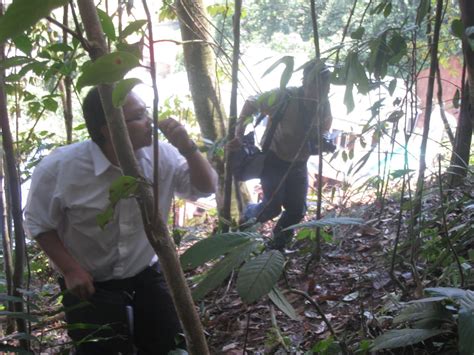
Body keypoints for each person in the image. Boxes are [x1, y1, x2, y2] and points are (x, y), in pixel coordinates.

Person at [24, 87, 217, 354]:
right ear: (109, 128)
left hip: (146, 275)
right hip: (90, 285)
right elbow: (39, 223)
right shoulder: (61, 168)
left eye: (146, 112)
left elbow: (205, 188)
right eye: (138, 116)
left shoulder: (161, 156)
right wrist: (70, 270)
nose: (150, 121)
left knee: (168, 345)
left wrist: (188, 147)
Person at [233, 60, 333, 250]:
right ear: (306, 82)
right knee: (271, 207)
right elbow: (251, 102)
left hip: (299, 163)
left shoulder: (324, 105)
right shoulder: (285, 97)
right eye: (318, 85)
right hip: (275, 159)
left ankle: (276, 249)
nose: (322, 91)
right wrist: (238, 134)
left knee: (297, 210)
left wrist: (323, 140)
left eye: (326, 87)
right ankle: (246, 219)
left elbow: (325, 128)